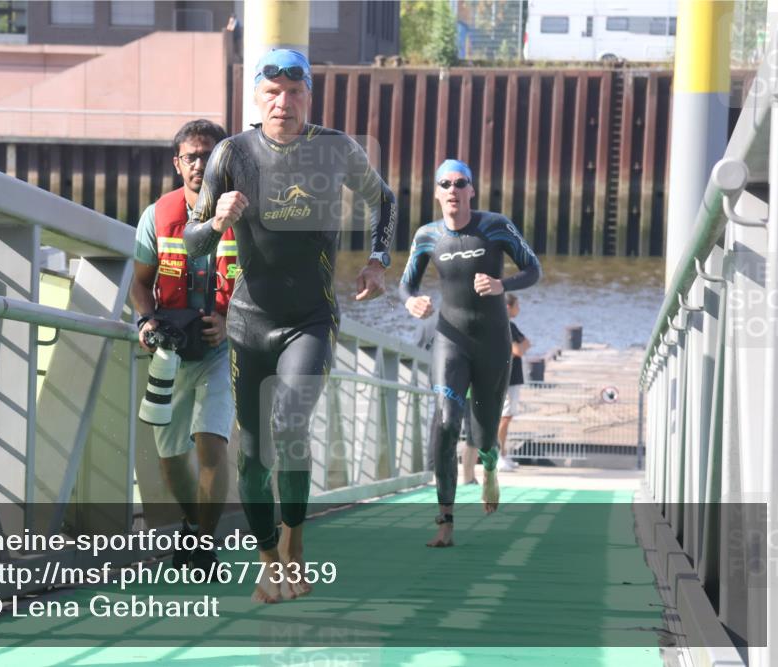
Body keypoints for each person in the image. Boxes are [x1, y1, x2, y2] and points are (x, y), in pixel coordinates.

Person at [184, 49, 396, 602]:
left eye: (294, 91)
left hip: (311, 320)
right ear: (256, 96)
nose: (284, 102)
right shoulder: (230, 154)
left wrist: (378, 261)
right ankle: (269, 557)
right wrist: (218, 220)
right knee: (252, 456)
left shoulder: (336, 149)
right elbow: (191, 242)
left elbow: (385, 201)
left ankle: (297, 548)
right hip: (249, 324)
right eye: (272, 92)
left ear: (309, 95)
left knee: (289, 425)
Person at [400, 158, 540, 548]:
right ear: (437, 193)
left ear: (472, 190)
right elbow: (405, 287)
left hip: (493, 342)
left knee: (484, 433)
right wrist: (411, 302)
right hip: (451, 339)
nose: (453, 190)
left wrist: (501, 283)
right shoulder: (428, 235)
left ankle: (490, 468)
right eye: (445, 184)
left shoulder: (494, 226)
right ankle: (445, 520)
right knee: (445, 422)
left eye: (461, 183)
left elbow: (533, 268)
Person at [130, 119, 235, 572]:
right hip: (169, 351)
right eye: (191, 156)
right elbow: (139, 282)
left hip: (222, 351)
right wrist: (144, 319)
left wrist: (230, 323)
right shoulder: (157, 216)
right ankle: (195, 527)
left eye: (209, 155)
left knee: (210, 442)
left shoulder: (244, 215)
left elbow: (263, 286)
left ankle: (203, 545)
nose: (199, 164)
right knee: (171, 456)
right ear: (177, 164)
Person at [497, 294, 530, 472]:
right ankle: (497, 455)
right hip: (506, 377)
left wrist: (520, 347)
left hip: (513, 377)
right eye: (517, 305)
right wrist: (520, 347)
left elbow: (527, 344)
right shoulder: (504, 326)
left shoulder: (512, 326)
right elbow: (518, 349)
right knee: (503, 417)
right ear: (508, 307)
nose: (519, 308)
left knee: (506, 417)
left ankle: (502, 453)